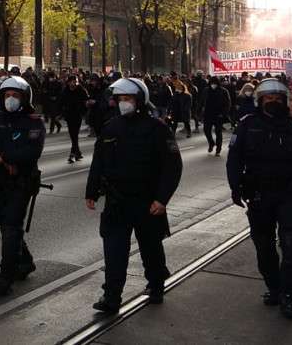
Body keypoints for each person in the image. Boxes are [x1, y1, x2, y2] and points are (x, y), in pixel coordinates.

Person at [85, 77, 183, 314]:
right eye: (119, 99)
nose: (122, 103)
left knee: (150, 247)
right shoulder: (111, 127)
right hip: (117, 201)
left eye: (127, 99)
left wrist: (162, 199)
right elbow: (99, 162)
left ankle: (157, 284)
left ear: (140, 100)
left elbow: (173, 167)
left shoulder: (157, 128)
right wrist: (91, 191)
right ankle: (111, 296)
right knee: (114, 251)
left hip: (147, 201)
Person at [227, 79, 292, 320]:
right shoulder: (247, 125)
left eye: (277, 99)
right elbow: (234, 159)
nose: (273, 102)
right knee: (264, 246)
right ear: (260, 100)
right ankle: (274, 286)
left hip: (291, 195)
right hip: (259, 195)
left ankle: (289, 296)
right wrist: (235, 187)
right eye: (268, 98)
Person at [0, 76, 46, 296]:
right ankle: (25, 260)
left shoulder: (33, 121)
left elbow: (32, 151)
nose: (10, 99)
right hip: (0, 181)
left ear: (24, 98)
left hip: (21, 181)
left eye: (15, 95)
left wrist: (3, 157)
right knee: (3, 223)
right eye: (7, 95)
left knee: (12, 227)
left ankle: (5, 277)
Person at [60, 76, 89, 163]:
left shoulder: (81, 90)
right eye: (72, 81)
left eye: (75, 81)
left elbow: (86, 101)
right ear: (68, 82)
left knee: (74, 134)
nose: (73, 83)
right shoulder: (65, 91)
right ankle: (77, 153)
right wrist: (61, 113)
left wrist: (83, 111)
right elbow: (61, 102)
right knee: (73, 135)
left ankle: (72, 154)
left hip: (77, 115)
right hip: (69, 115)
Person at [201, 76, 231, 155]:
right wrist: (200, 112)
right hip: (208, 114)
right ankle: (211, 143)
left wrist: (224, 113)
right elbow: (201, 101)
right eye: (212, 83)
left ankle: (218, 148)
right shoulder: (206, 90)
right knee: (206, 130)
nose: (213, 85)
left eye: (215, 83)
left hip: (218, 115)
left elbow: (227, 103)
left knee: (218, 132)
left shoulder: (223, 91)